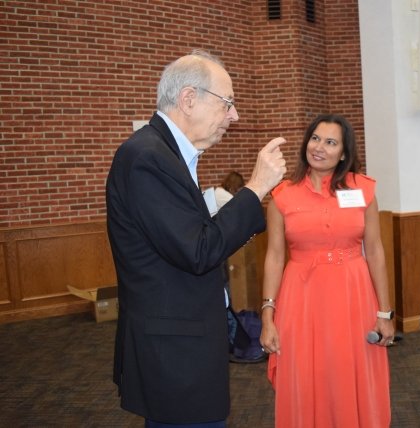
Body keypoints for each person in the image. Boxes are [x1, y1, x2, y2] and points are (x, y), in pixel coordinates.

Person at [106, 49, 286, 427]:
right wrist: (255, 188)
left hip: (183, 342)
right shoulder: (147, 158)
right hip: (174, 352)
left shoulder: (164, 155)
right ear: (189, 99)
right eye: (228, 103)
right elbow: (199, 249)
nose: (234, 116)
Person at [259, 113, 394, 427]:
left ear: (344, 152)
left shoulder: (363, 190)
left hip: (353, 297)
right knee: (306, 375)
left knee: (350, 372)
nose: (319, 147)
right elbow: (275, 257)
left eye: (331, 142)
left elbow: (374, 250)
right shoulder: (282, 196)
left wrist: (385, 313)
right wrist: (268, 314)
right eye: (315, 138)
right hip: (301, 300)